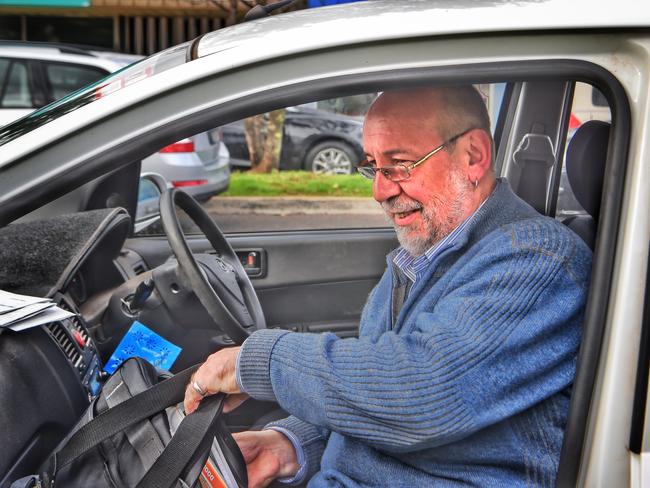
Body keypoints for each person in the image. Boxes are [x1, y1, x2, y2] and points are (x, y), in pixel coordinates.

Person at [184, 86, 592, 487]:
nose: (379, 190)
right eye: (373, 167)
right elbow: (374, 398)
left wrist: (258, 362)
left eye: (400, 164)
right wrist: (289, 445)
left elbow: (421, 395)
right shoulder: (423, 252)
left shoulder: (538, 259)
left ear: (473, 156)